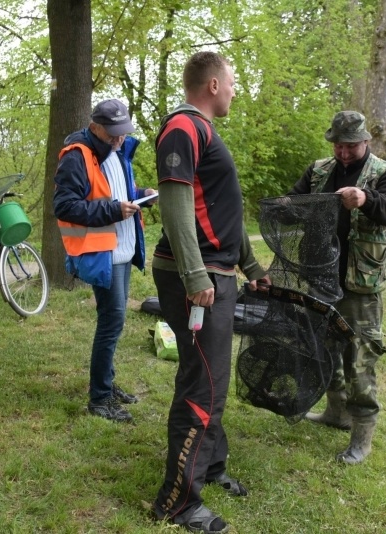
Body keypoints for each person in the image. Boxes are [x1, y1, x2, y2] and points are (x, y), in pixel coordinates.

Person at [151, 51, 270, 534]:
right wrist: (196, 276)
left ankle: (212, 466)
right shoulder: (182, 128)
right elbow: (176, 206)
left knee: (212, 378)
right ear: (215, 84)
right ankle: (177, 503)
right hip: (196, 279)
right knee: (203, 385)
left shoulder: (205, 131)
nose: (237, 89)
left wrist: (251, 264)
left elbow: (222, 210)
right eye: (234, 80)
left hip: (218, 273)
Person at [288, 111, 386, 464]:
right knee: (323, 352)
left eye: (351, 146)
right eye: (339, 146)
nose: (343, 153)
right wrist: (286, 207)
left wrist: (366, 200)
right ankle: (335, 413)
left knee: (359, 360)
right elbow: (296, 199)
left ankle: (361, 438)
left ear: (366, 142)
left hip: (361, 285)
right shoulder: (319, 170)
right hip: (321, 277)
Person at [53, 99, 156, 423]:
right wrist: (113, 210)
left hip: (122, 251)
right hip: (103, 253)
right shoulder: (77, 156)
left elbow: (115, 191)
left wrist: (142, 194)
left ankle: (107, 386)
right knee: (110, 324)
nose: (119, 139)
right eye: (113, 134)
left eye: (123, 133)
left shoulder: (117, 152)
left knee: (114, 321)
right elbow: (65, 206)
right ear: (95, 126)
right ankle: (99, 398)